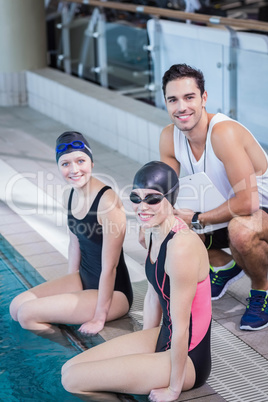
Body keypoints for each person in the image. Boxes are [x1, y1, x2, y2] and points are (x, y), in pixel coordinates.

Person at [61, 161, 211, 402]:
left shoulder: (181, 247)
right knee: (69, 368)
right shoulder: (152, 230)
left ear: (171, 199)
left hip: (190, 358)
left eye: (152, 199)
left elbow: (182, 327)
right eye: (136, 197)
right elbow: (153, 295)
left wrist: (173, 389)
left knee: (74, 381)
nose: (142, 207)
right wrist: (145, 347)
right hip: (164, 336)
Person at [159, 63, 268, 331]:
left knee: (240, 230)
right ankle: (224, 265)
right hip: (225, 209)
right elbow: (166, 197)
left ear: (204, 98)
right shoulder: (168, 138)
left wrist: (198, 218)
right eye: (173, 99)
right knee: (165, 223)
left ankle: (262, 290)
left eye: (189, 97)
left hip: (260, 209)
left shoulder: (223, 133)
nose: (181, 107)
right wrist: (155, 217)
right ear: (165, 102)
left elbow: (248, 202)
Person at [9, 131, 133, 335]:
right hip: (83, 279)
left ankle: (65, 351)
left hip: (113, 292)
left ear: (91, 162)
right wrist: (71, 288)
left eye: (80, 161)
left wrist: (99, 317)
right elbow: (75, 244)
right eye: (65, 164)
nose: (74, 170)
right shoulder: (72, 195)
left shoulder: (107, 203)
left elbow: (110, 268)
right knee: (16, 306)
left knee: (26, 314)